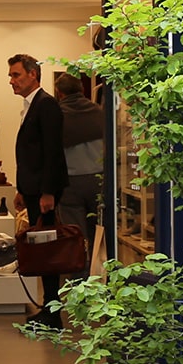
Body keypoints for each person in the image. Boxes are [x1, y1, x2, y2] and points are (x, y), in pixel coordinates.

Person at [8, 53, 67, 326]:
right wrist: (22, 189)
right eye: (11, 75)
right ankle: (49, 307)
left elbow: (53, 152)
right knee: (42, 249)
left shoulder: (46, 105)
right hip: (34, 190)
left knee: (47, 250)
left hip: (44, 192)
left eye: (16, 75)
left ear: (33, 74)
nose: (12, 81)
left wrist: (47, 192)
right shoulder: (32, 105)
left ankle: (53, 312)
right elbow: (31, 154)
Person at [54, 71, 104, 270]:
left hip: (70, 184)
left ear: (59, 93)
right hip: (99, 181)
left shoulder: (57, 117)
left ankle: (78, 278)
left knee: (76, 237)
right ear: (82, 89)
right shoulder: (99, 112)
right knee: (99, 234)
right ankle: (99, 276)